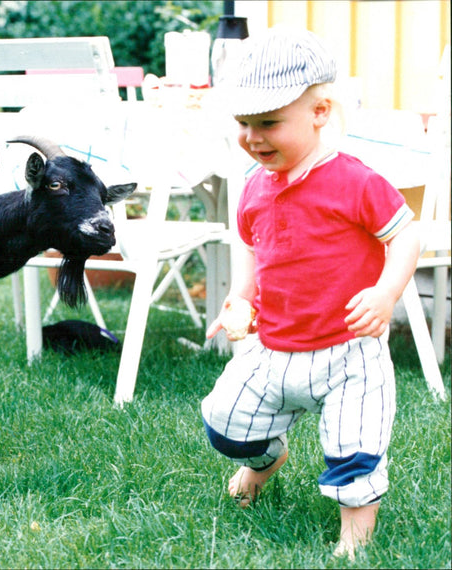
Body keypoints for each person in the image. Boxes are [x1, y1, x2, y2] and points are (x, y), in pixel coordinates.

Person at [201, 26, 420, 560]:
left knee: (353, 447)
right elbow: (253, 245)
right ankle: (264, 461)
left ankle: (354, 538)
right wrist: (240, 297)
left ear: (320, 112)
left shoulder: (354, 181)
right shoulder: (255, 183)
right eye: (244, 123)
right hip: (275, 346)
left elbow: (406, 233)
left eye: (269, 123)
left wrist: (387, 293)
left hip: (349, 351)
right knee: (224, 423)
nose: (253, 137)